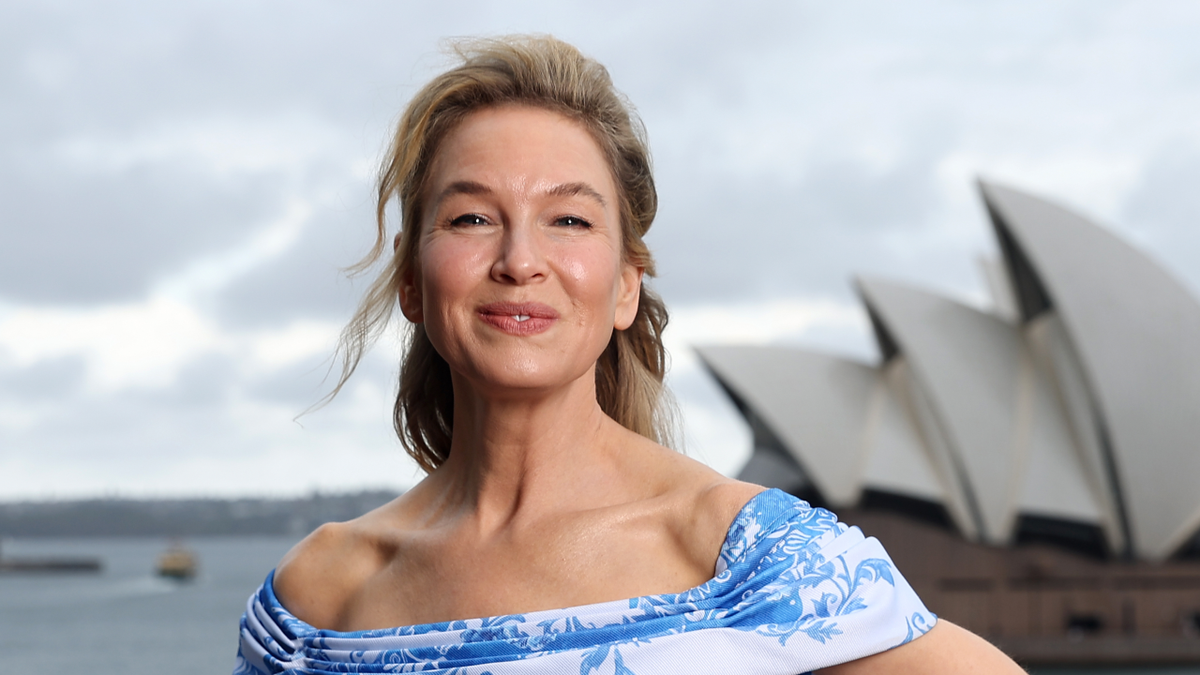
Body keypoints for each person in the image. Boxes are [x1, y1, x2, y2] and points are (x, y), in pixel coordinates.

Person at [234, 35, 1024, 675]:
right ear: (411, 278)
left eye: (569, 221)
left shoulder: (745, 558)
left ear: (624, 289)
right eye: (473, 217)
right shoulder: (318, 599)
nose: (519, 259)